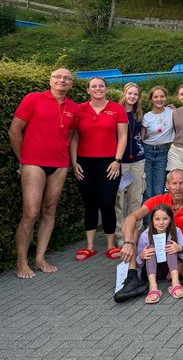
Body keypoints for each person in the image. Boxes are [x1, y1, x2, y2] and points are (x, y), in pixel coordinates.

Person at [114, 169, 183, 307]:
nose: (178, 187)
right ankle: (131, 277)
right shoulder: (158, 201)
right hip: (152, 256)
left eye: (181, 183)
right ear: (167, 185)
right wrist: (128, 243)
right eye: (174, 183)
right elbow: (132, 217)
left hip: (176, 253)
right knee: (133, 230)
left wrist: (180, 261)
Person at [9, 68, 80, 279]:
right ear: (50, 80)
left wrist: (70, 162)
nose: (62, 80)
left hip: (59, 164)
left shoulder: (74, 108)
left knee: (50, 209)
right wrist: (23, 159)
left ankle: (39, 258)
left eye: (67, 78)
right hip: (33, 163)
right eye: (57, 77)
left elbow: (68, 135)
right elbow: (14, 130)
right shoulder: (33, 99)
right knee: (30, 213)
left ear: (71, 84)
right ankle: (21, 262)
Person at [70, 77, 128, 261]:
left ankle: (110, 245)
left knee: (107, 202)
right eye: (93, 86)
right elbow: (74, 138)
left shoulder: (117, 109)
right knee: (90, 203)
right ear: (88, 90)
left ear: (106, 89)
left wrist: (117, 160)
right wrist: (74, 162)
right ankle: (89, 246)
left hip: (109, 163)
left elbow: (123, 136)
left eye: (101, 86)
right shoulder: (79, 110)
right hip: (84, 163)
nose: (97, 89)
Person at [137, 204, 183, 304]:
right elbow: (137, 263)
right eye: (157, 219)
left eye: (165, 219)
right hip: (149, 271)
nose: (161, 222)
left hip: (169, 270)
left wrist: (180, 248)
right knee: (150, 248)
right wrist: (141, 256)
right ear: (152, 220)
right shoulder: (145, 235)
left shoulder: (176, 231)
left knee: (170, 245)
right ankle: (153, 287)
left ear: (170, 220)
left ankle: (175, 283)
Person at [116, 83, 146, 245]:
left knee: (135, 198)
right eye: (130, 93)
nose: (132, 96)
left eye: (136, 94)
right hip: (120, 162)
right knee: (119, 199)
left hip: (137, 160)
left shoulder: (139, 114)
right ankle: (120, 235)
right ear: (124, 93)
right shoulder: (115, 111)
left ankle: (135, 232)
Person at [141, 86, 174, 199]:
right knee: (147, 190)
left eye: (162, 96)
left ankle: (159, 217)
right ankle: (148, 217)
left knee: (159, 190)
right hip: (147, 152)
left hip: (162, 152)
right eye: (156, 97)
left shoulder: (172, 112)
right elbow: (142, 137)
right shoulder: (147, 116)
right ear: (151, 99)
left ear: (166, 98)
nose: (159, 99)